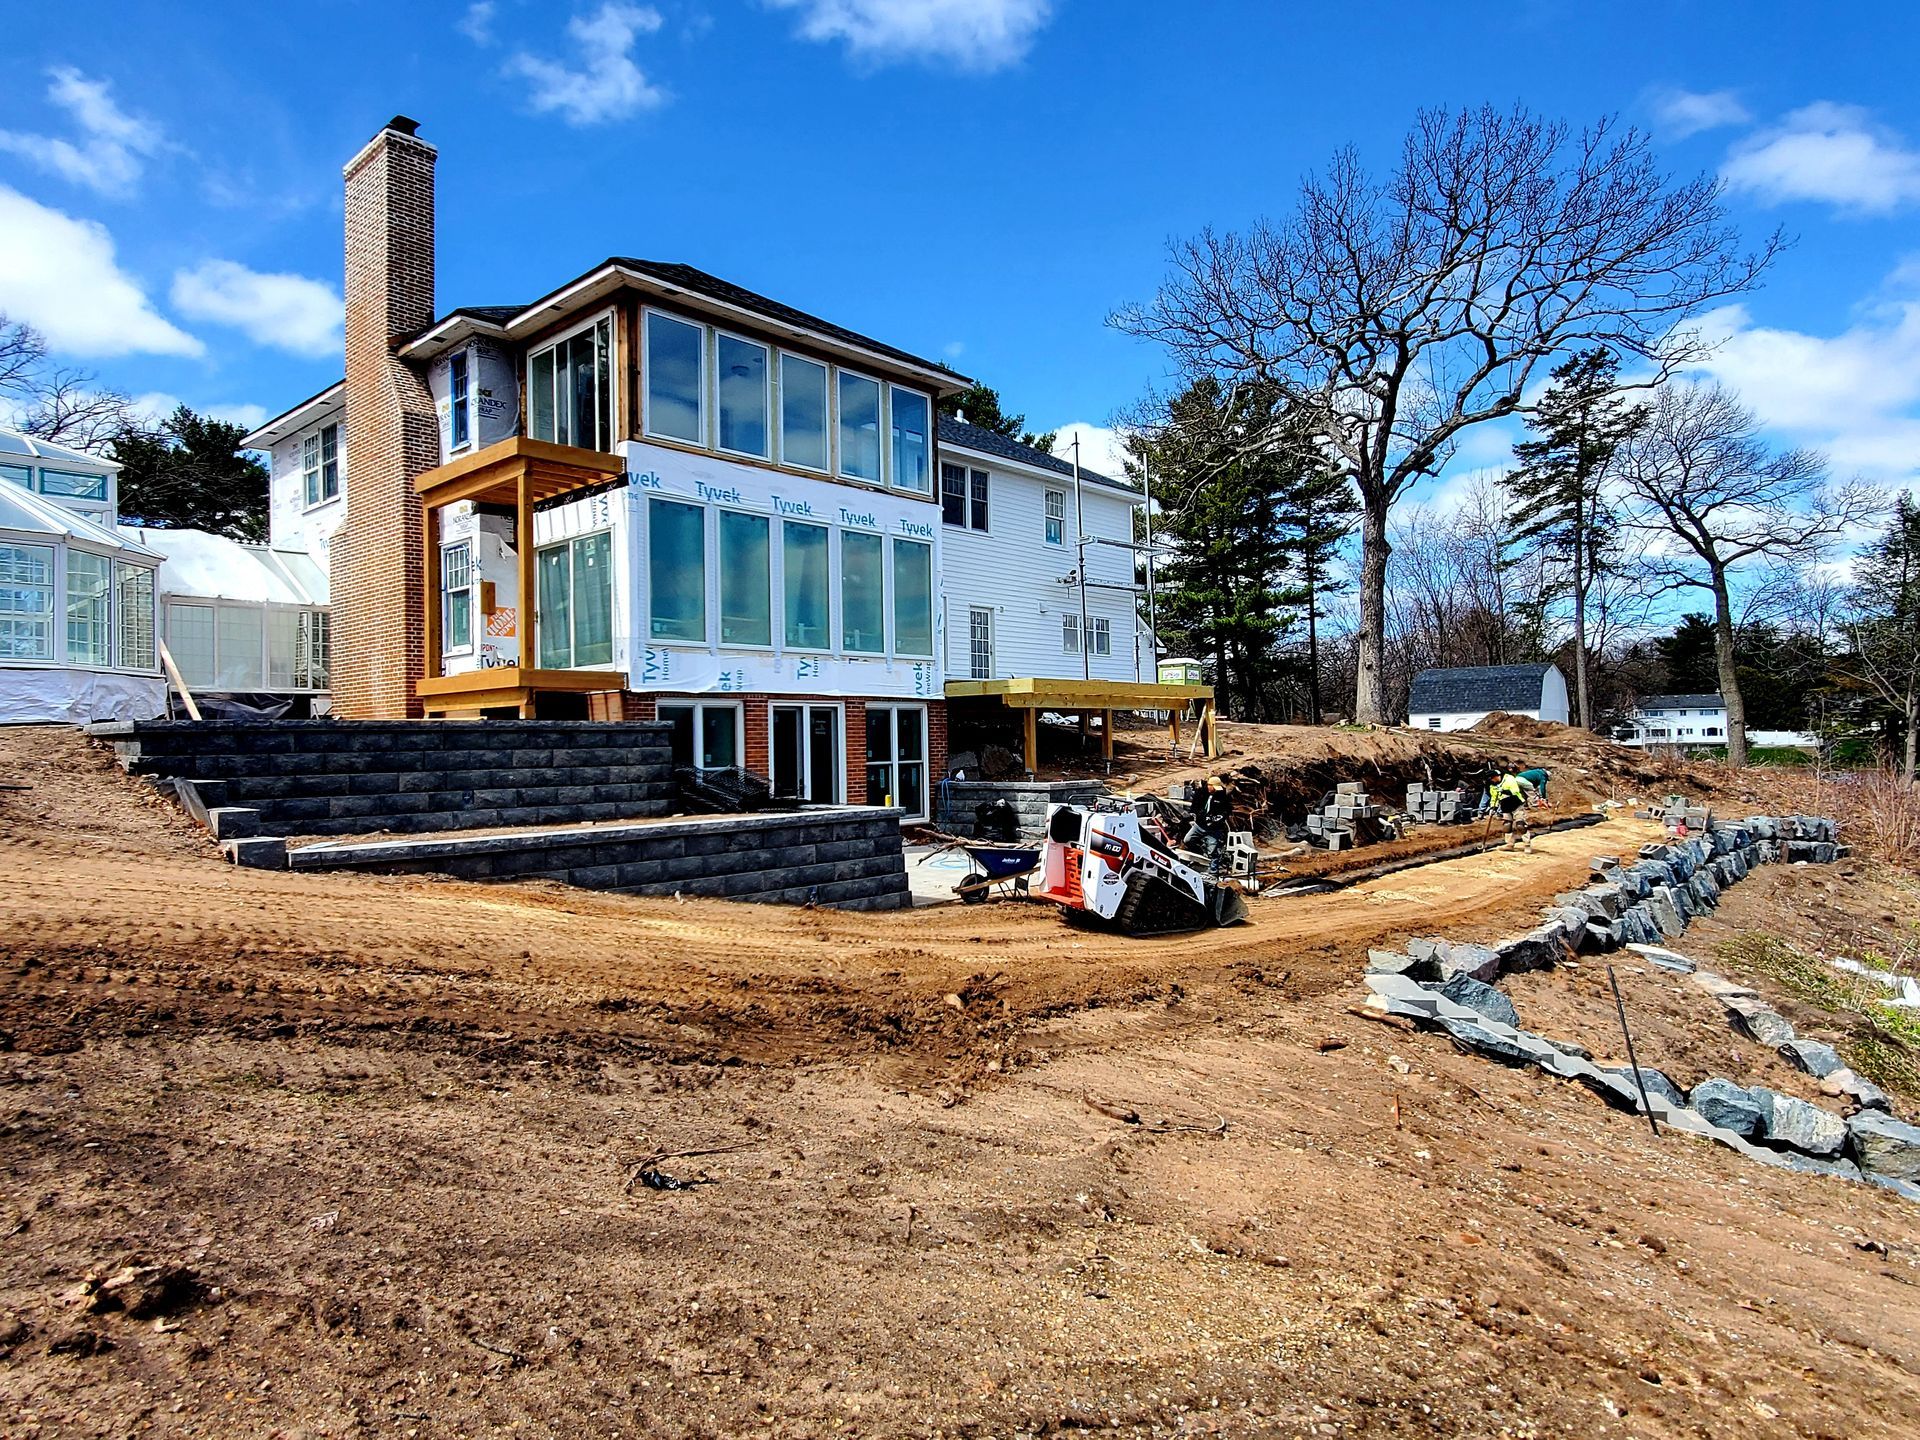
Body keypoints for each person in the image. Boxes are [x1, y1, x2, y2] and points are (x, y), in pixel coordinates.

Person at [1184, 773, 1232, 872]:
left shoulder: (1222, 796)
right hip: (1199, 825)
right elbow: (1194, 806)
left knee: (1213, 850)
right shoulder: (1201, 793)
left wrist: (1215, 819)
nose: (1213, 789)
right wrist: (1194, 814)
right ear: (1209, 786)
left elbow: (1226, 811)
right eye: (1212, 787)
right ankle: (1199, 855)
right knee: (1188, 840)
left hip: (1213, 829)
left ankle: (1213, 871)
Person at [1489, 768, 1539, 851]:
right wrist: (1492, 807)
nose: (1492, 780)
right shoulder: (1492, 785)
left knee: (1520, 825)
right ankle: (1509, 844)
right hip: (1505, 805)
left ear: (1496, 776)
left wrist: (1504, 791)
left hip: (1516, 803)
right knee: (1507, 825)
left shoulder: (1509, 779)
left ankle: (1527, 844)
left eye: (1492, 778)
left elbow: (1514, 791)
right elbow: (1494, 797)